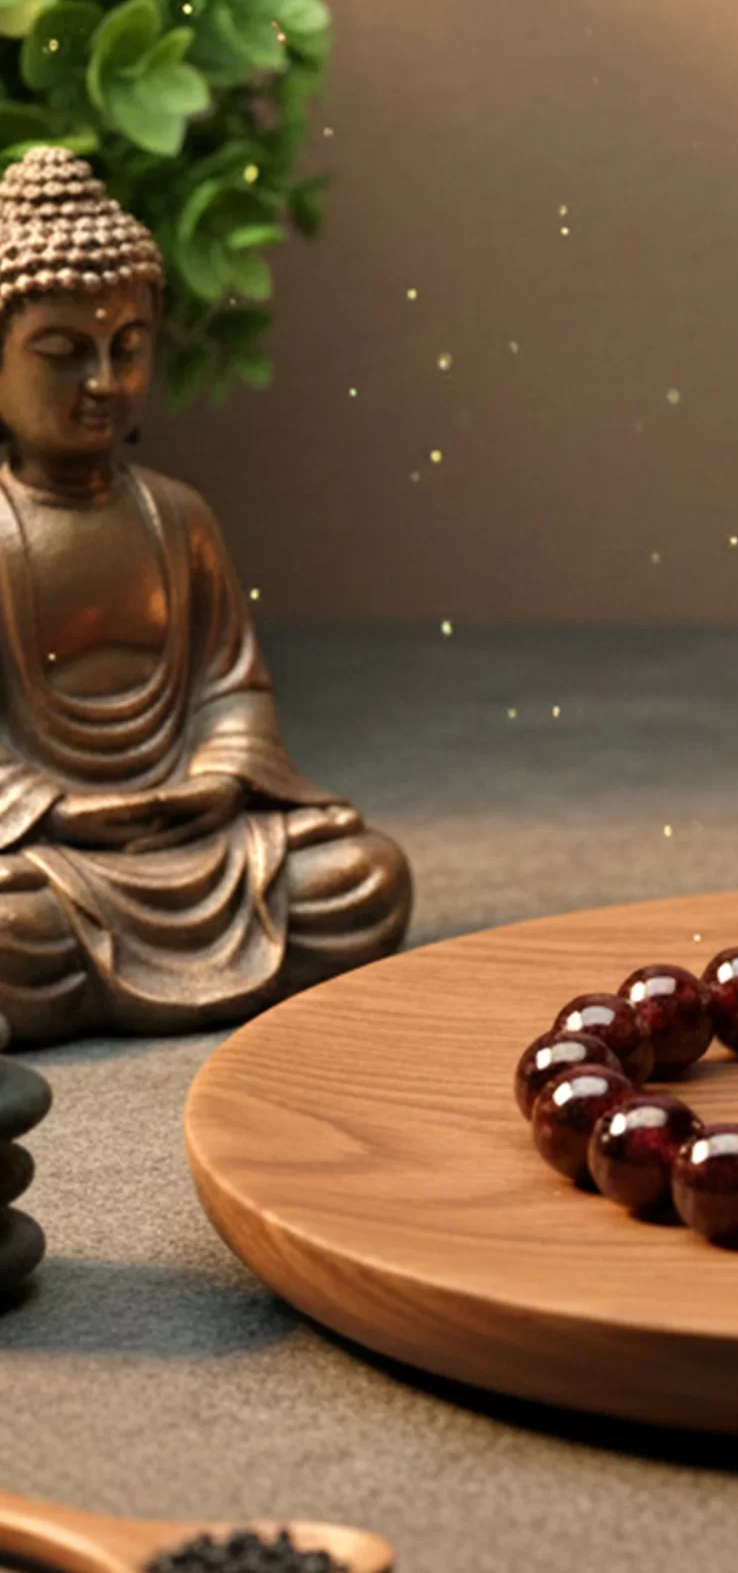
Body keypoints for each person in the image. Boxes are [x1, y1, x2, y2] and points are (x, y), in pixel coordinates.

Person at [0, 146, 409, 1046]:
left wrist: (221, 775)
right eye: (64, 354)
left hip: (198, 829)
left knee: (360, 877)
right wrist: (58, 809)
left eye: (128, 348)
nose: (104, 382)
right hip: (52, 852)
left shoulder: (176, 516)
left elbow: (231, 688)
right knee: (8, 926)